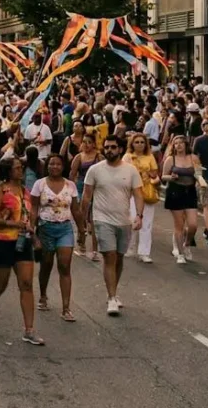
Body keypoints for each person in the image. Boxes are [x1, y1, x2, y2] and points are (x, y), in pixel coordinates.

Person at [0, 157, 41, 344]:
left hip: (23, 242)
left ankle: (29, 330)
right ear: (8, 171)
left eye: (21, 167)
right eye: (17, 168)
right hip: (1, 242)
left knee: (27, 284)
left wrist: (34, 236)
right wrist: (13, 223)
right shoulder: (0, 190)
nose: (21, 170)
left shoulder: (25, 191)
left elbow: (28, 217)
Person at [82, 135, 143, 316]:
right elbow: (86, 197)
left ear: (120, 149)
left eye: (113, 147)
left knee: (119, 258)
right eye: (107, 147)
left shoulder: (131, 170)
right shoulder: (94, 170)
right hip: (102, 220)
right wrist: (84, 221)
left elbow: (138, 194)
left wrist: (139, 216)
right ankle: (111, 298)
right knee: (109, 257)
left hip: (124, 221)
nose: (109, 150)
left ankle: (114, 292)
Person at [33, 153, 83, 321]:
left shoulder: (71, 186)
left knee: (64, 266)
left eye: (58, 164)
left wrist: (82, 230)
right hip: (45, 228)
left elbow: (76, 209)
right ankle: (43, 295)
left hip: (65, 229)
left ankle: (66, 308)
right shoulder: (39, 185)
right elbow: (33, 209)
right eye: (51, 164)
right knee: (46, 264)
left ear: (63, 167)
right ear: (47, 166)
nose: (54, 167)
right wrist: (32, 233)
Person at [161, 134, 201, 264]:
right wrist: (171, 177)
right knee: (179, 225)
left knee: (193, 225)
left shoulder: (193, 158)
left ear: (186, 144)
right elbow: (163, 176)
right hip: (175, 191)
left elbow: (200, 175)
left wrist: (198, 176)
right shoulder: (170, 159)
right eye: (176, 143)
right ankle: (180, 254)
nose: (178, 145)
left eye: (181, 143)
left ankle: (187, 244)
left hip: (189, 191)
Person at [126, 133, 159, 263]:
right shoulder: (128, 157)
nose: (139, 144)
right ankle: (130, 247)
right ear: (132, 144)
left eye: (142, 142)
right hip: (132, 192)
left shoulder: (150, 157)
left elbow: (155, 173)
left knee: (147, 223)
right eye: (137, 142)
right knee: (133, 220)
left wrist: (147, 173)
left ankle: (144, 252)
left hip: (147, 191)